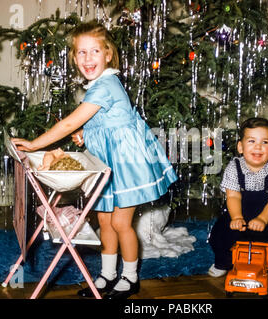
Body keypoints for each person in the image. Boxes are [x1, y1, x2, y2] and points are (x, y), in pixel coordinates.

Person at [12, 21, 178, 299]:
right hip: (106, 161)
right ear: (74, 57)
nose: (88, 59)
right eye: (81, 53)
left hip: (126, 164)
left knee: (121, 223)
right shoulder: (98, 85)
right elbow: (99, 119)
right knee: (104, 220)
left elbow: (66, 124)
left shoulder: (106, 85)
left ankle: (130, 276)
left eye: (95, 52)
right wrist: (86, 132)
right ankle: (108, 274)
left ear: (108, 54)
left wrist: (34, 144)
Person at [208, 117, 268, 283]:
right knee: (219, 233)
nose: (258, 147)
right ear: (240, 147)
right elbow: (233, 196)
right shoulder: (233, 167)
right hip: (239, 210)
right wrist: (236, 217)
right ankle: (222, 262)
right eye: (251, 141)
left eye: (265, 142)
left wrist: (262, 219)